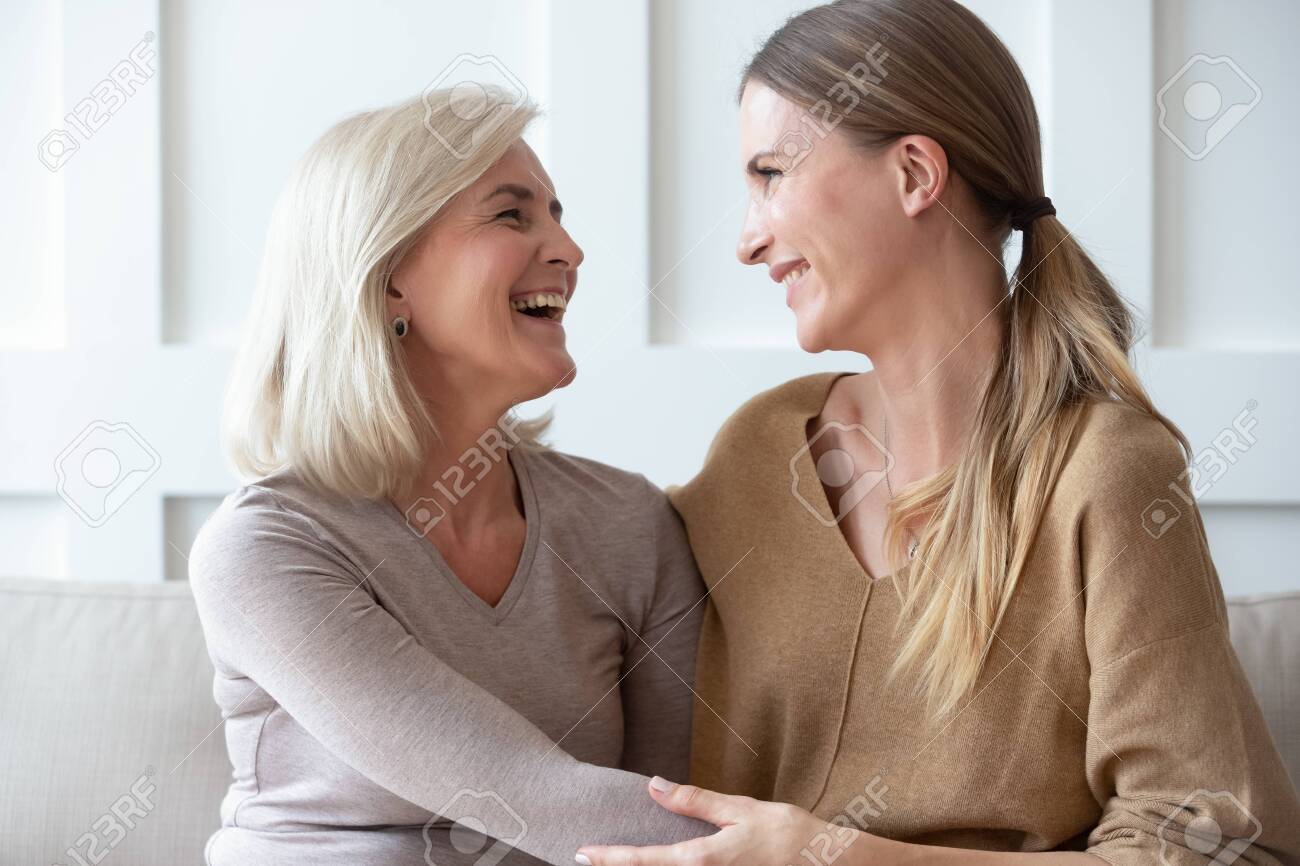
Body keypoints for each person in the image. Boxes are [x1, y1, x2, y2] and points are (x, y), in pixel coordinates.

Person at [575, 1, 1300, 863]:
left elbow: (1213, 842)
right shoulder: (758, 450)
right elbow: (563, 580)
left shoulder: (1105, 474)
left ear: (915, 173)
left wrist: (838, 856)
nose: (747, 240)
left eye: (771, 174)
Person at [188, 88, 717, 865]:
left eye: (557, 216)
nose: (570, 251)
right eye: (512, 216)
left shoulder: (627, 521)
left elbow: (667, 801)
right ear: (389, 276)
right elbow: (525, 790)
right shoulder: (267, 547)